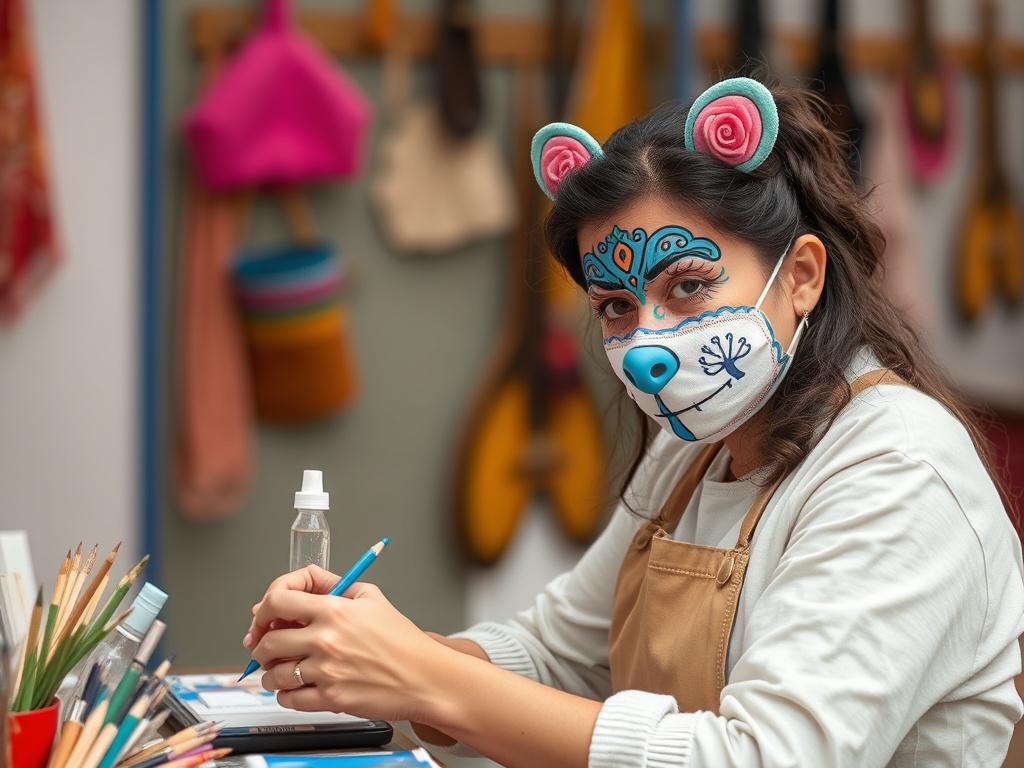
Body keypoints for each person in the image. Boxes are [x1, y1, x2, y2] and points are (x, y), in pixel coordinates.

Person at [242, 73, 1024, 767]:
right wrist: (387, 657)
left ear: (802, 279)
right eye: (616, 305)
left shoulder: (899, 471)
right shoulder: (694, 443)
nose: (646, 340)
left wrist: (426, 678)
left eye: (688, 285)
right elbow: (558, 656)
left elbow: (763, 757)